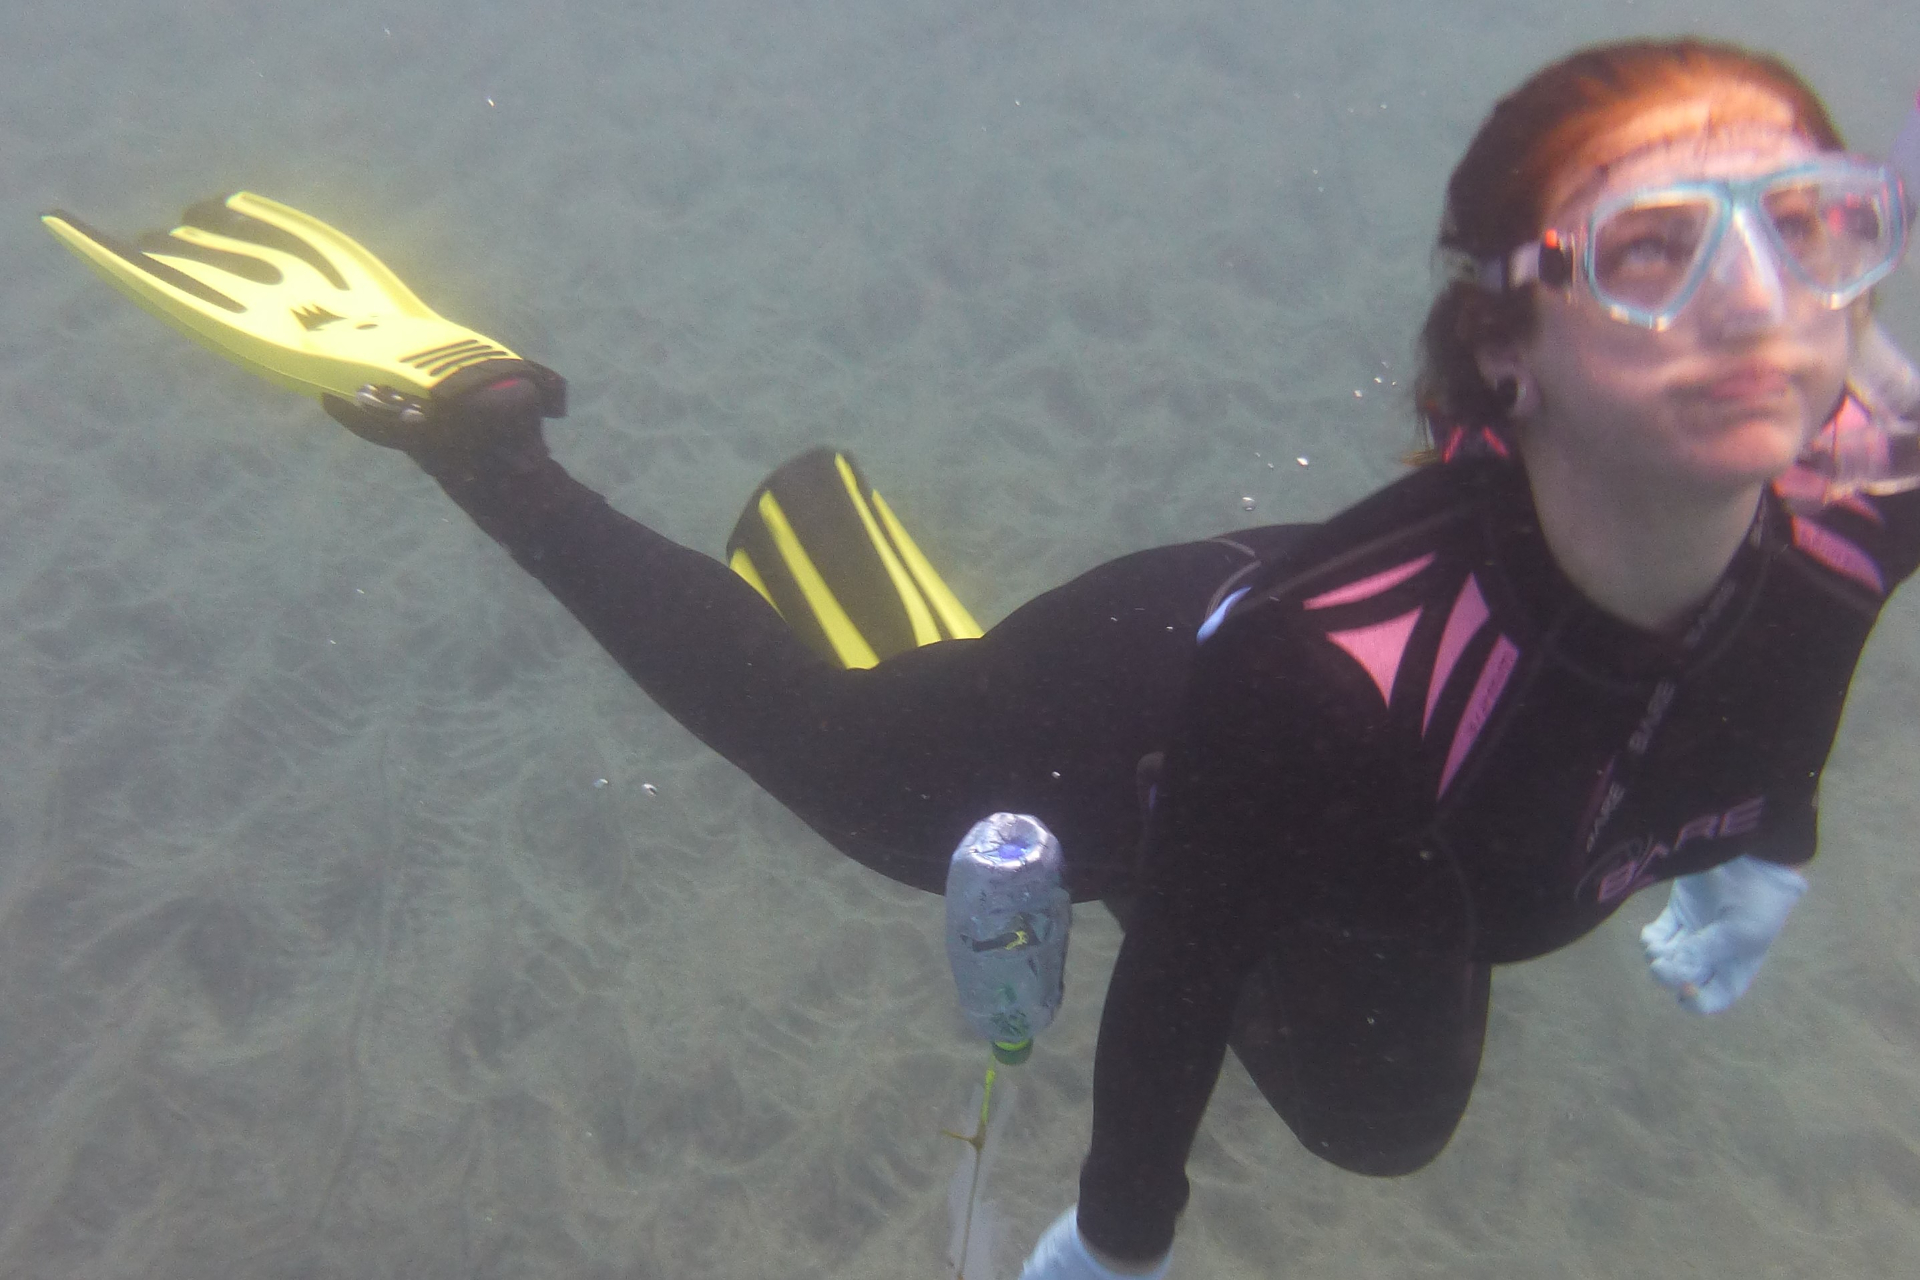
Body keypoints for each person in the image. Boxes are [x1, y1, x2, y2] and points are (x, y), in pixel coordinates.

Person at [38, 35, 1918, 1280]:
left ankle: (1044, 753)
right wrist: (1117, 1236)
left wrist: (1772, 833)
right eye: (1660, 251)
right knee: (871, 784)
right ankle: (475, 431)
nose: (1761, 306)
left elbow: (1825, 582)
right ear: (1512, 352)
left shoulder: (1868, 467)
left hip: (1351, 787)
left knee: (1383, 1121)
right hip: (1166, 695)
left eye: (1815, 228)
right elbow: (1177, 979)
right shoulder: (1327, 681)